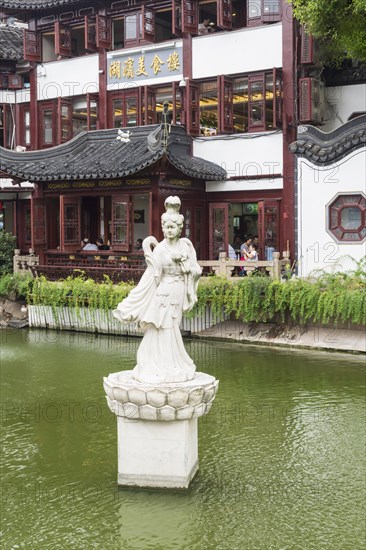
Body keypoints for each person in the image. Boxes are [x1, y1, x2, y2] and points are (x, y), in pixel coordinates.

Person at [113, 196, 202, 384]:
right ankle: (152, 364)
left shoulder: (186, 246)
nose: (169, 230)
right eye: (166, 227)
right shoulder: (160, 249)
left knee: (170, 325)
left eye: (173, 227)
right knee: (157, 324)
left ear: (180, 228)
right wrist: (132, 301)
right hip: (162, 291)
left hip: (177, 289)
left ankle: (172, 364)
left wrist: (187, 268)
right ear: (162, 228)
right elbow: (150, 276)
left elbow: (197, 270)